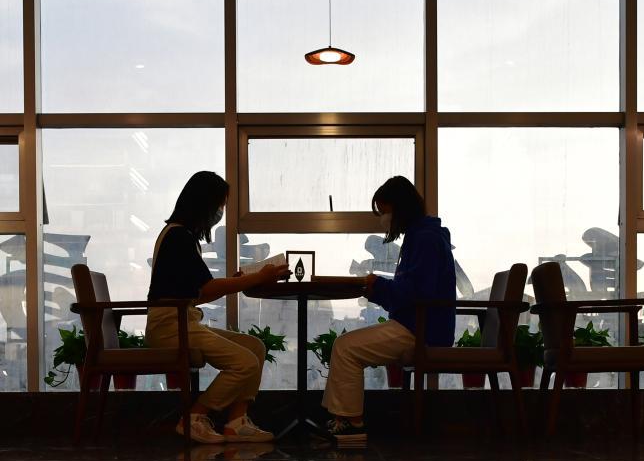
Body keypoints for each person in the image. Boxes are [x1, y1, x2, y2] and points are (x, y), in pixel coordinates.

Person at [145, 171, 290, 444]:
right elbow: (207, 288)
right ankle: (194, 418)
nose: (220, 212)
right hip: (170, 327)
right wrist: (257, 278)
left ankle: (237, 422)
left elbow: (196, 293)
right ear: (205, 203)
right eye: (220, 205)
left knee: (255, 347)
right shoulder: (179, 237)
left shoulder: (182, 236)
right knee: (244, 362)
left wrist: (243, 280)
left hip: (181, 320)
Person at [322, 175, 457, 445]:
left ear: (400, 208)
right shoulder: (423, 236)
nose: (383, 220)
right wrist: (379, 289)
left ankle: (351, 423)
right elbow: (412, 291)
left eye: (385, 212)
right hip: (419, 324)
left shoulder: (425, 240)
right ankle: (344, 418)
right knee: (346, 346)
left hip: (422, 330)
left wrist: (379, 286)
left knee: (346, 348)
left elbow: (416, 293)